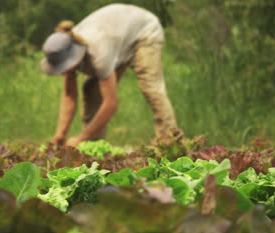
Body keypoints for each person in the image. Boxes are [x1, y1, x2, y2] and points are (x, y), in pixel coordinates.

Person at [40, 3, 177, 147]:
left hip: (144, 32)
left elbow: (111, 104)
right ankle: (94, 148)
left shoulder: (98, 55)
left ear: (74, 56)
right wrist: (60, 134)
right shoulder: (66, 47)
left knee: (151, 88)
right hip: (117, 36)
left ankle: (171, 146)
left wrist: (81, 137)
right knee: (92, 90)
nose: (64, 71)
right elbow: (69, 95)